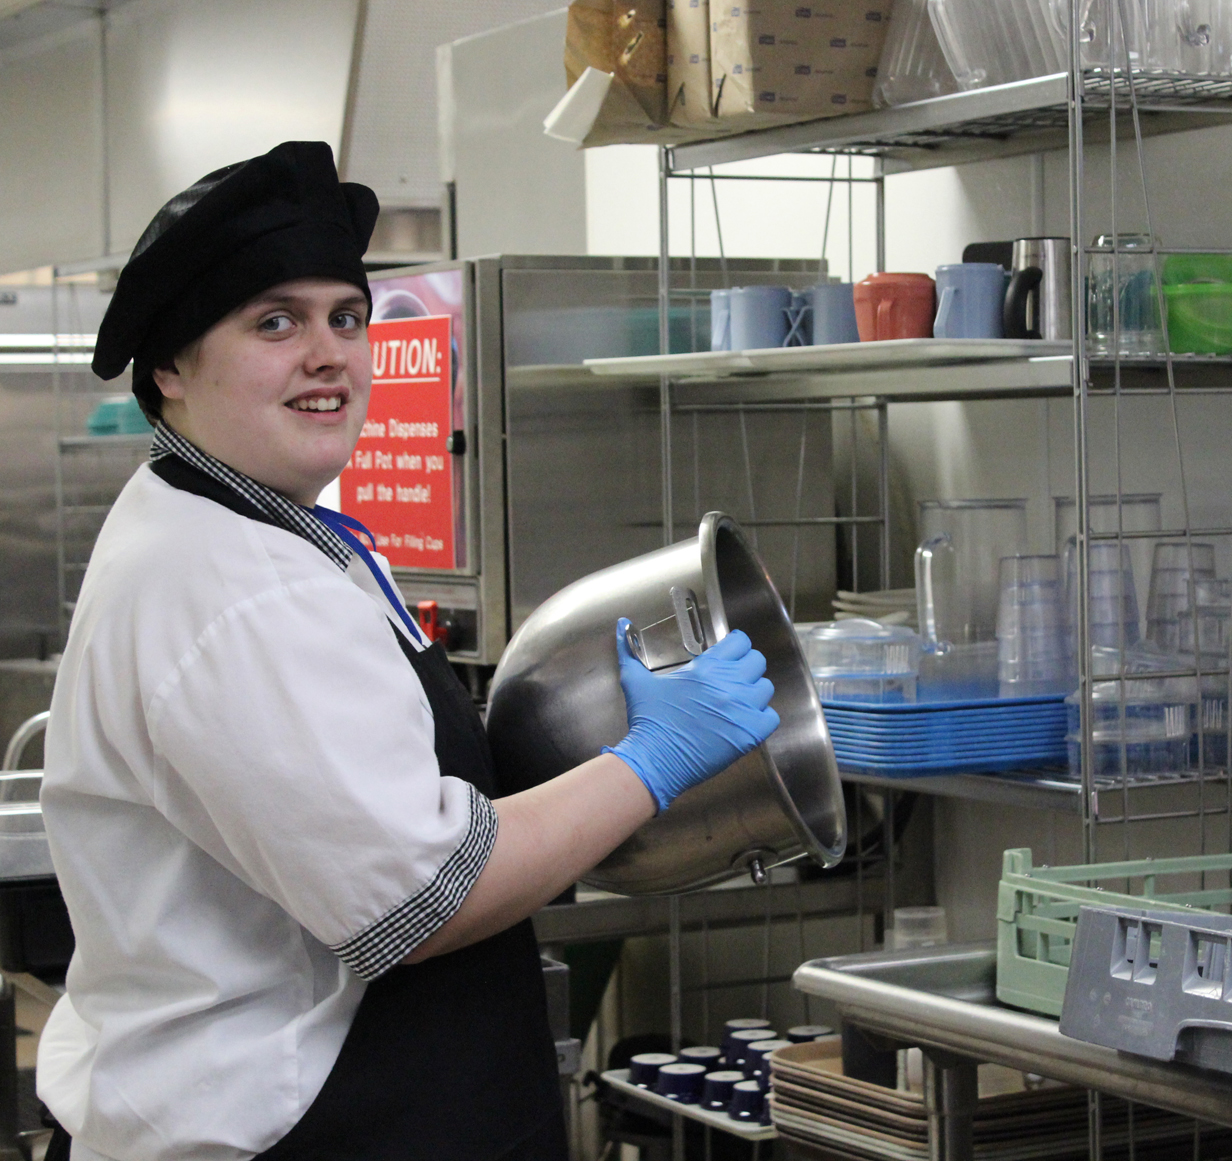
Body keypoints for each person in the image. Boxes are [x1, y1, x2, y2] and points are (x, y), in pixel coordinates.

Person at [37, 141, 779, 1161]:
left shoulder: (250, 524)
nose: (327, 354)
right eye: (273, 322)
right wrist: (647, 764)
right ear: (170, 367)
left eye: (347, 318)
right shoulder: (230, 586)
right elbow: (419, 904)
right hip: (295, 1127)